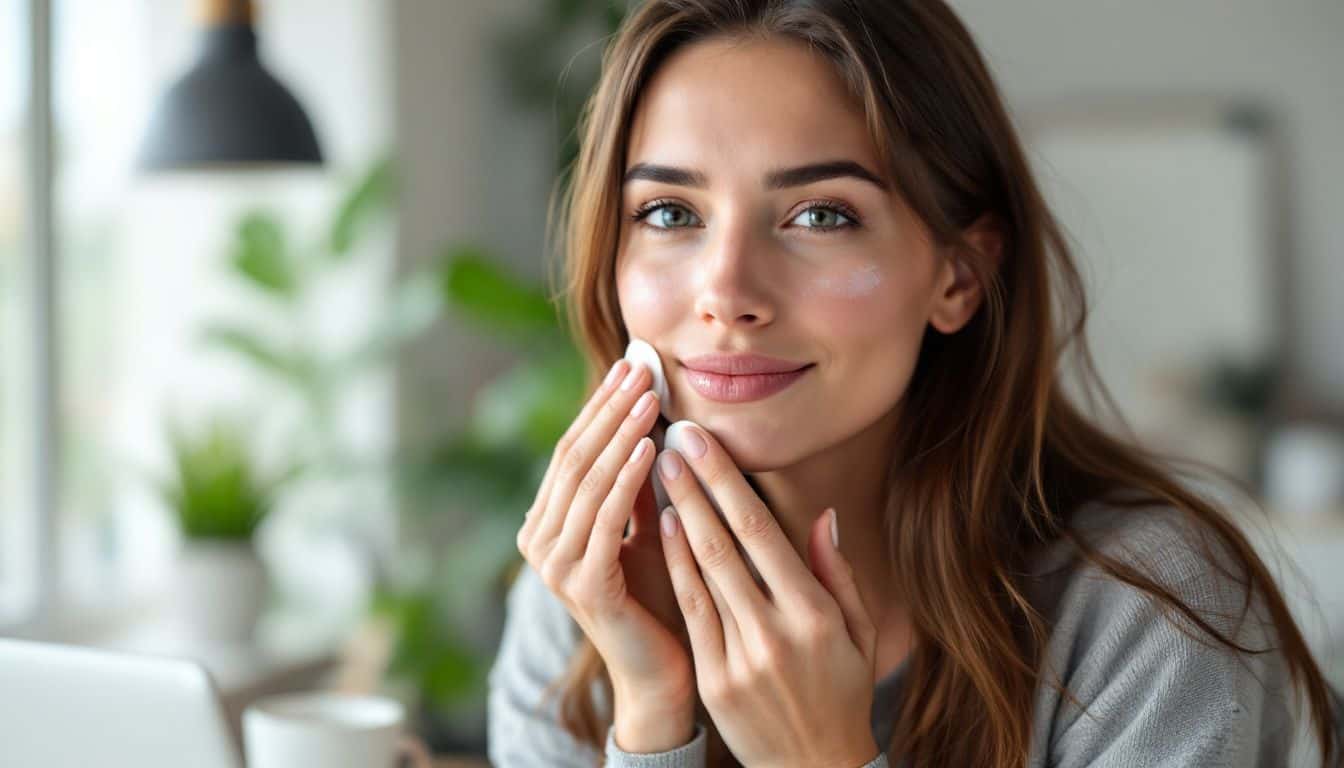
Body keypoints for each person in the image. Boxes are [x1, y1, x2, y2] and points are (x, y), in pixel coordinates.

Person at [489, 1, 1344, 766]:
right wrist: (652, 718)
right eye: (670, 214)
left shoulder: (1149, 616)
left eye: (821, 215)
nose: (725, 295)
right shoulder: (583, 594)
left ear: (958, 278)